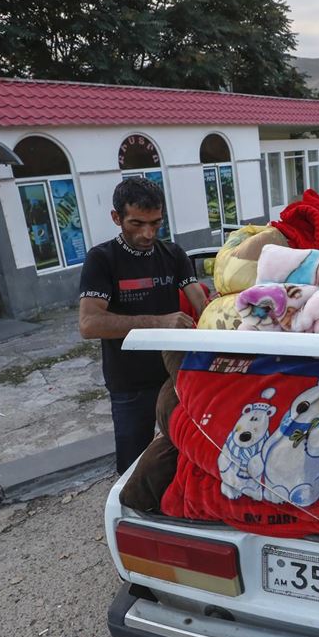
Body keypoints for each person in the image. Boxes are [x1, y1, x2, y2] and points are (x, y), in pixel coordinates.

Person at [79, 177, 208, 473]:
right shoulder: (102, 260)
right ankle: (131, 514)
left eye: (156, 223)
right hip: (130, 383)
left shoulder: (173, 254)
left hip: (176, 376)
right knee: (133, 463)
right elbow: (88, 323)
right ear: (116, 218)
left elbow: (201, 303)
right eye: (137, 224)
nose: (148, 233)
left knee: (180, 453)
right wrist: (160, 323)